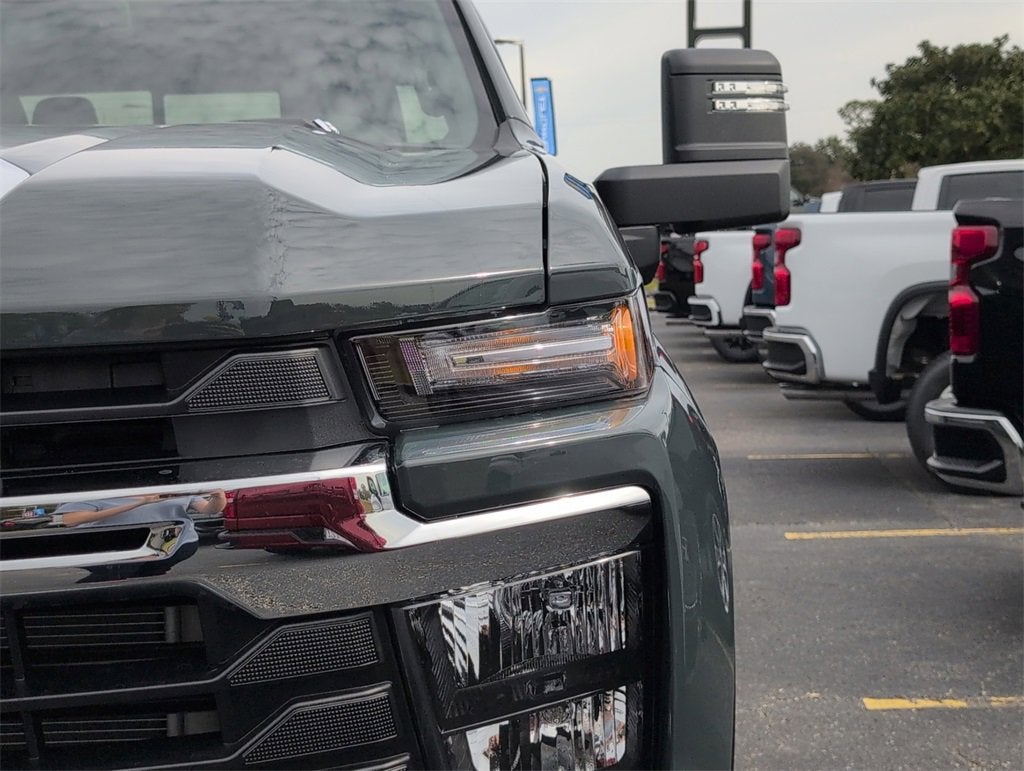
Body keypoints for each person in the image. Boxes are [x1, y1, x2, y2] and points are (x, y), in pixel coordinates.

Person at [53, 491, 226, 581]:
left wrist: (218, 497)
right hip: (114, 550)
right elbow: (70, 520)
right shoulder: (99, 490)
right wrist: (139, 503)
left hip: (174, 544)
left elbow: (209, 509)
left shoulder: (177, 485)